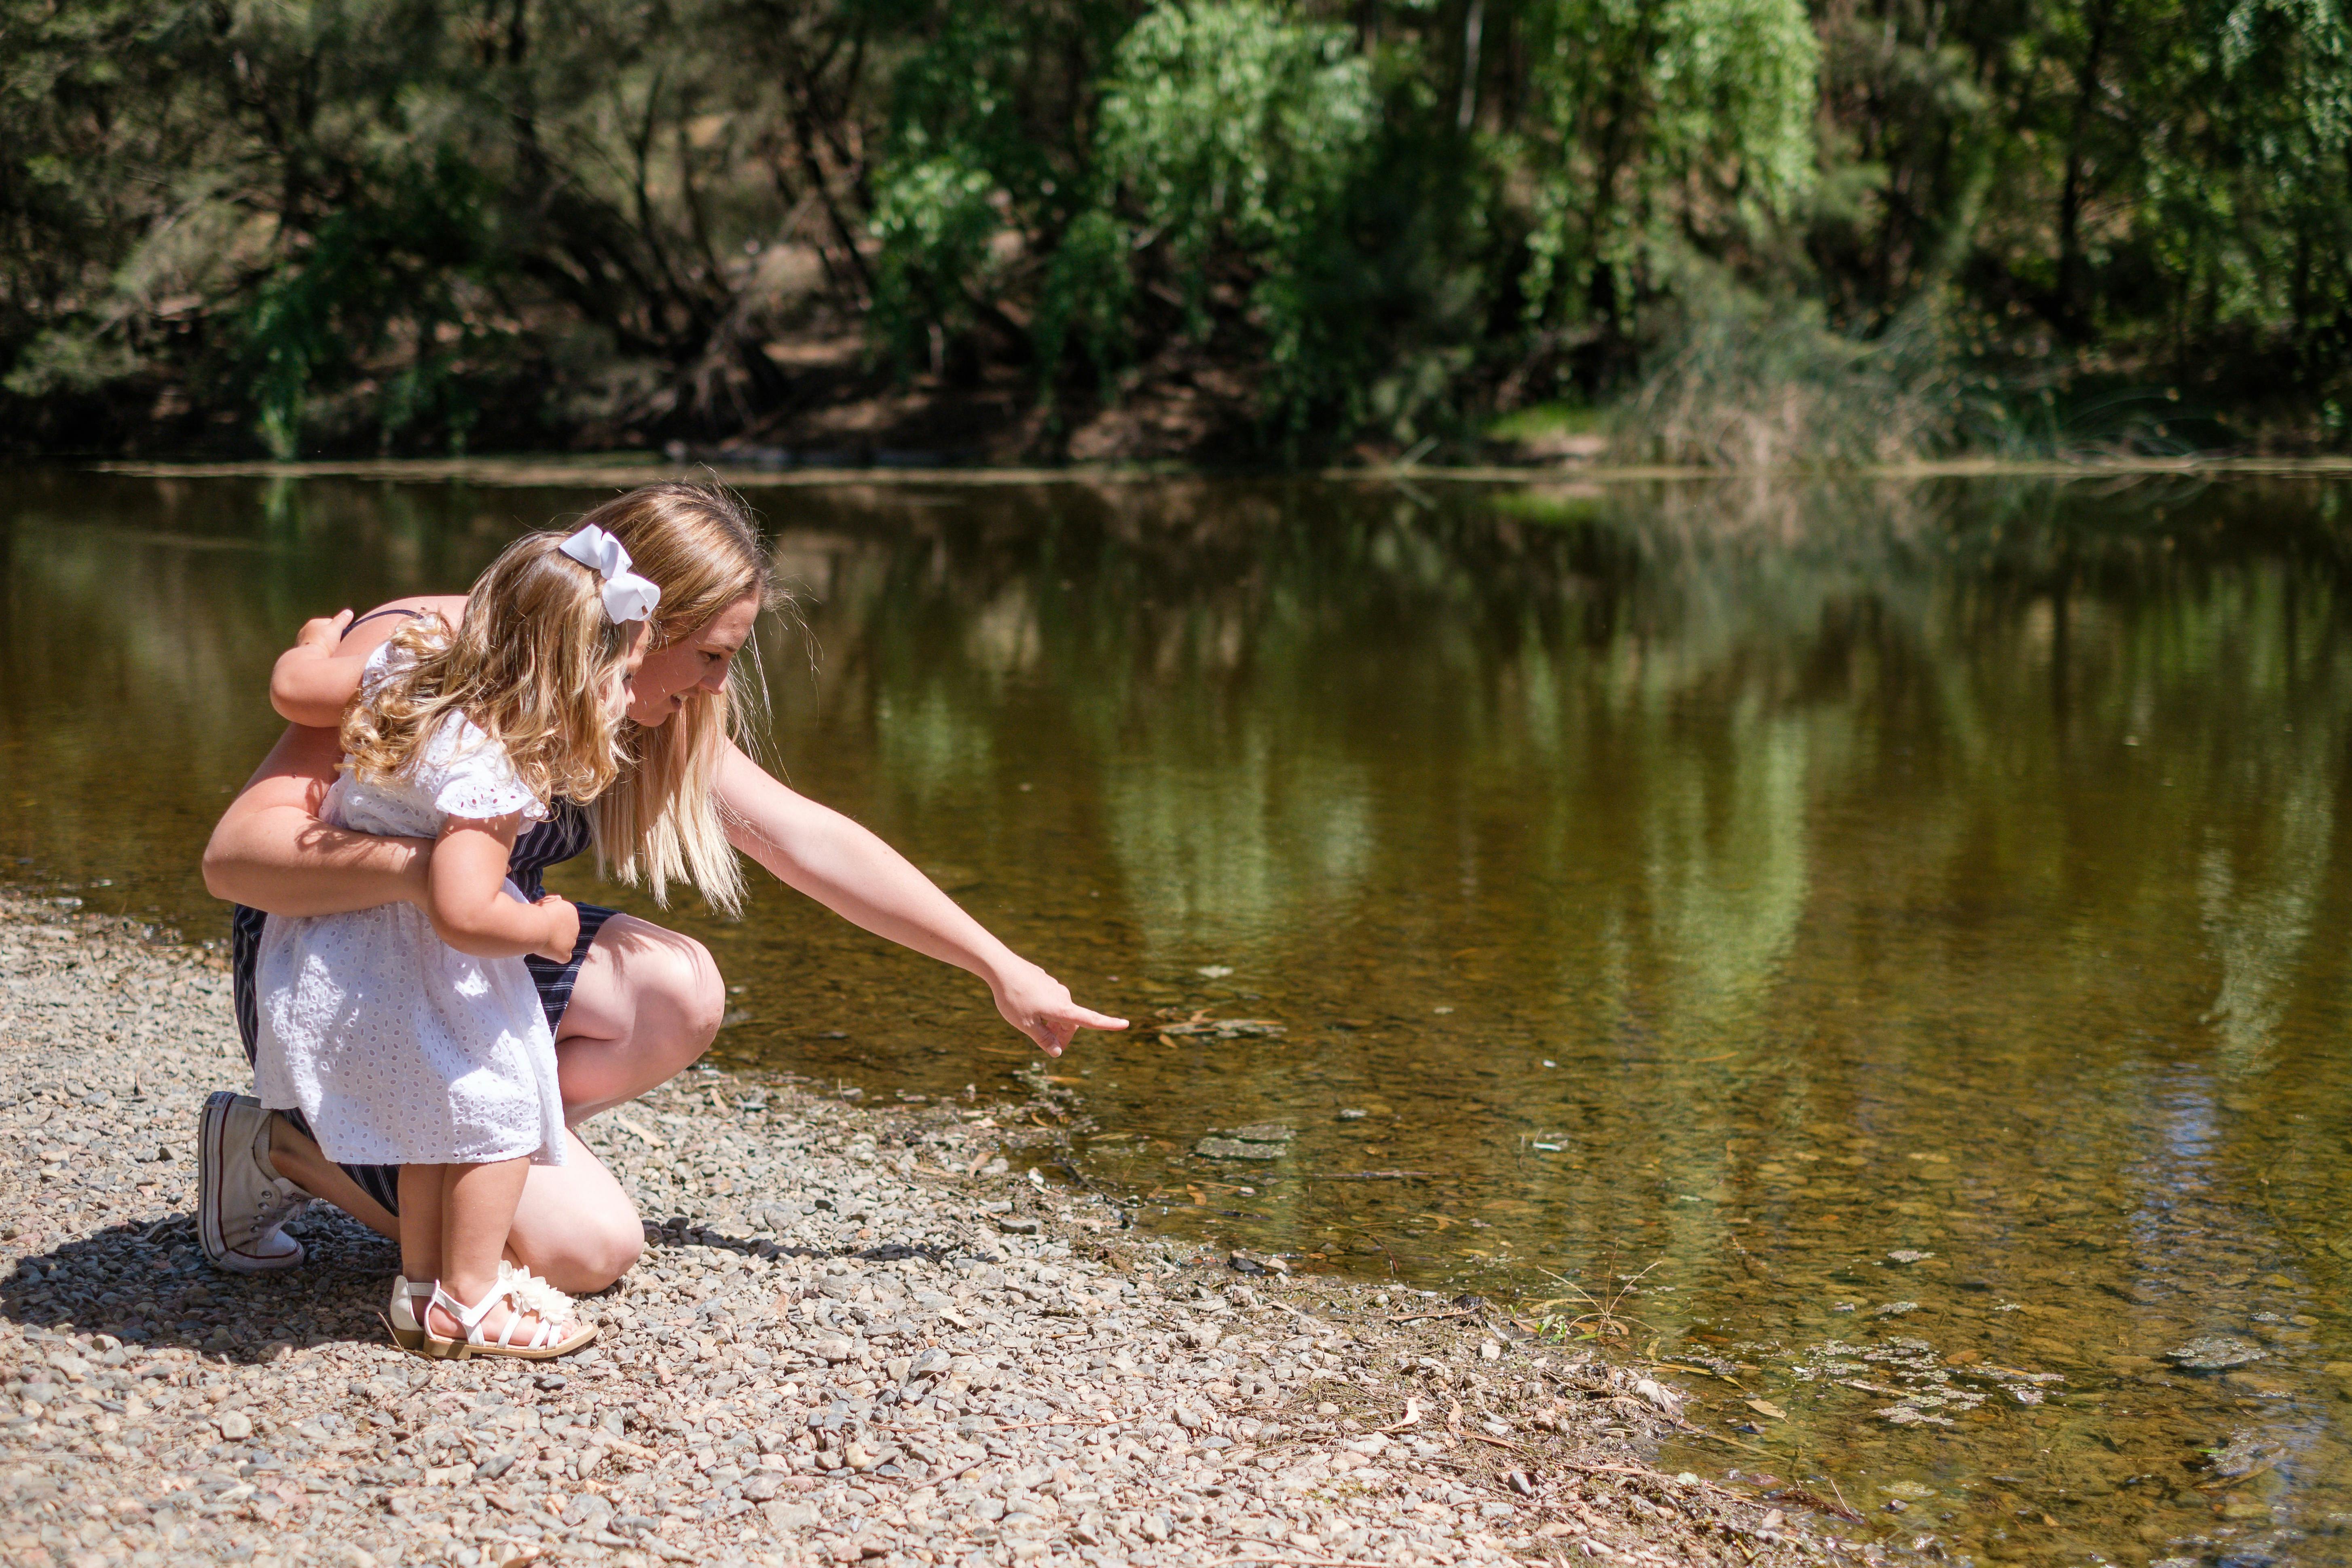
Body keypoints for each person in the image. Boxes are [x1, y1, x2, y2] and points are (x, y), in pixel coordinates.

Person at [199, 482, 1125, 1292]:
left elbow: (806, 839)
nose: (718, 685)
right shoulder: (446, 650)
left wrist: (1000, 967)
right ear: (645, 624)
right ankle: (285, 1144)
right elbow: (236, 857)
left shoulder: (630, 699)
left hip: (463, 966)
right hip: (334, 977)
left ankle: (459, 1161)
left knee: (677, 988)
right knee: (586, 1252)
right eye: (712, 655)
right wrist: (432, 876)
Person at [254, 524, 661, 1357]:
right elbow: (461, 908)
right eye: (622, 677)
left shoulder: (409, 673)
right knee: (495, 1112)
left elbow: (294, 688)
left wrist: (318, 641)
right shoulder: (494, 762)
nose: (629, 698)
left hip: (342, 955)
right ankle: (472, 1296)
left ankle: (422, 1293)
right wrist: (545, 928)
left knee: (432, 1120)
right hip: (421, 959)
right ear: (569, 675)